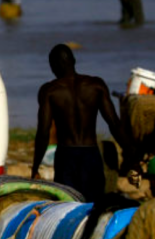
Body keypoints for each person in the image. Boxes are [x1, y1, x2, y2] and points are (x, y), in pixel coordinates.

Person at [32, 44, 126, 203]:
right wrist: (131, 155)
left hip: (66, 157)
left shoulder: (50, 91)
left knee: (68, 206)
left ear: (53, 65)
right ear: (74, 60)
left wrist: (35, 167)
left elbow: (43, 132)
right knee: (93, 205)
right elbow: (114, 123)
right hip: (91, 155)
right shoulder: (96, 85)